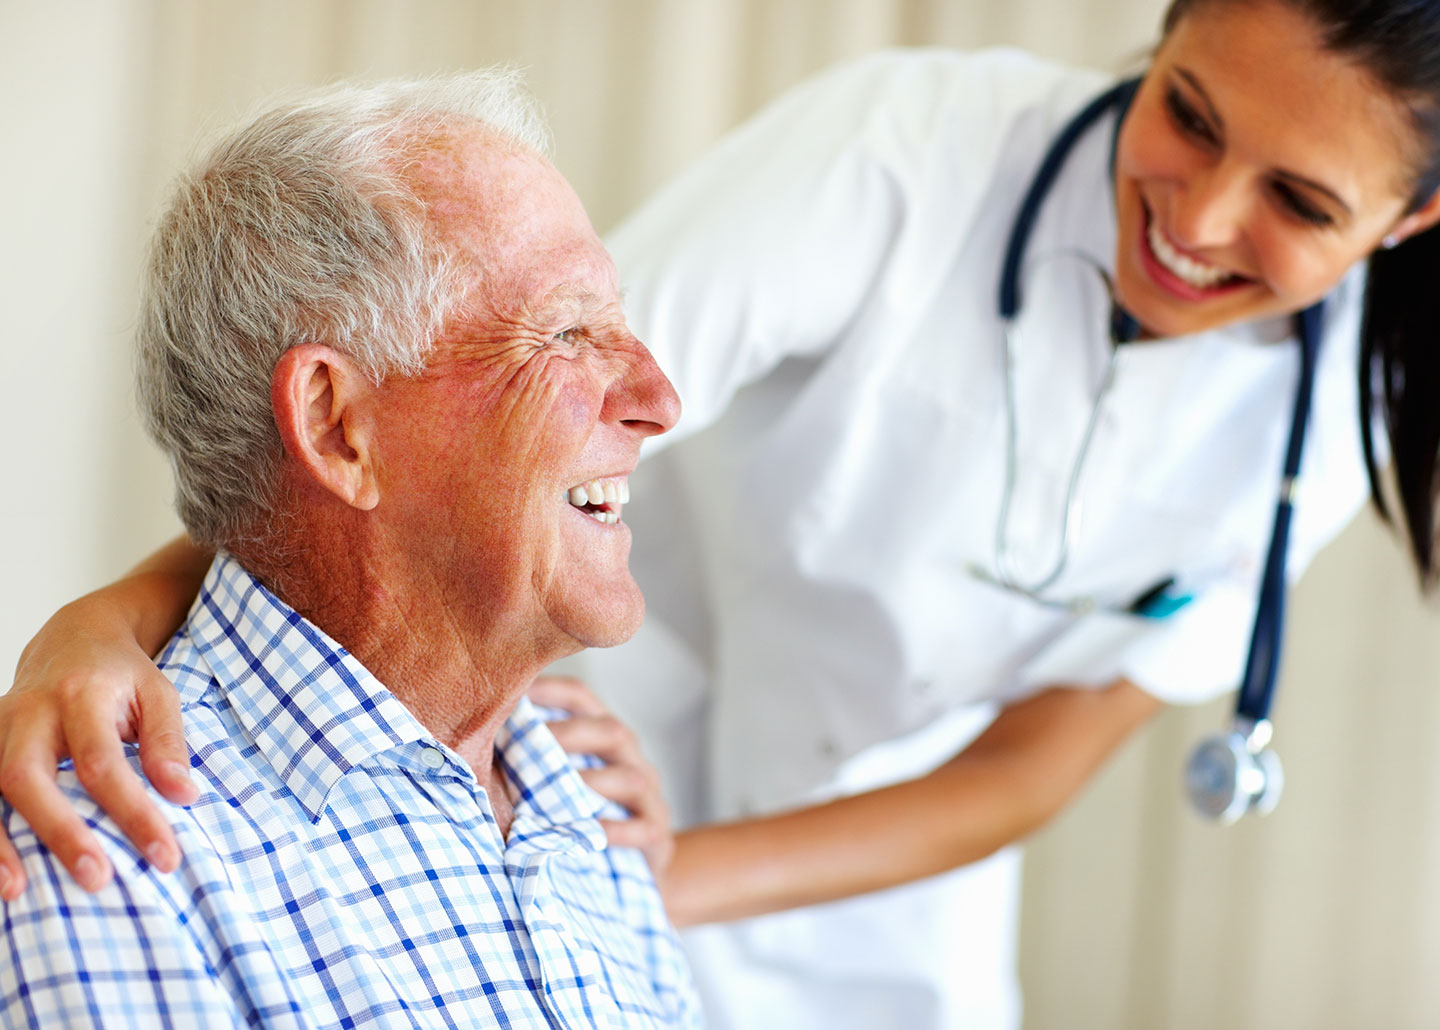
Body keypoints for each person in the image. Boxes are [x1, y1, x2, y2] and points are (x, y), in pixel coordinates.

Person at [6, 0, 1440, 1025]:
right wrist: (105, 620)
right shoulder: (901, 156)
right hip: (592, 722)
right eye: (1186, 114)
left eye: (1300, 203)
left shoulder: (1326, 428)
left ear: (1407, 223)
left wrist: (660, 875)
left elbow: (1024, 770)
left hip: (826, 878)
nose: (1196, 219)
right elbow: (419, 438)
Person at [0, 71, 701, 1028]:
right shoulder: (104, 853)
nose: (659, 399)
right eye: (568, 331)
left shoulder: (580, 800)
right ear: (337, 428)